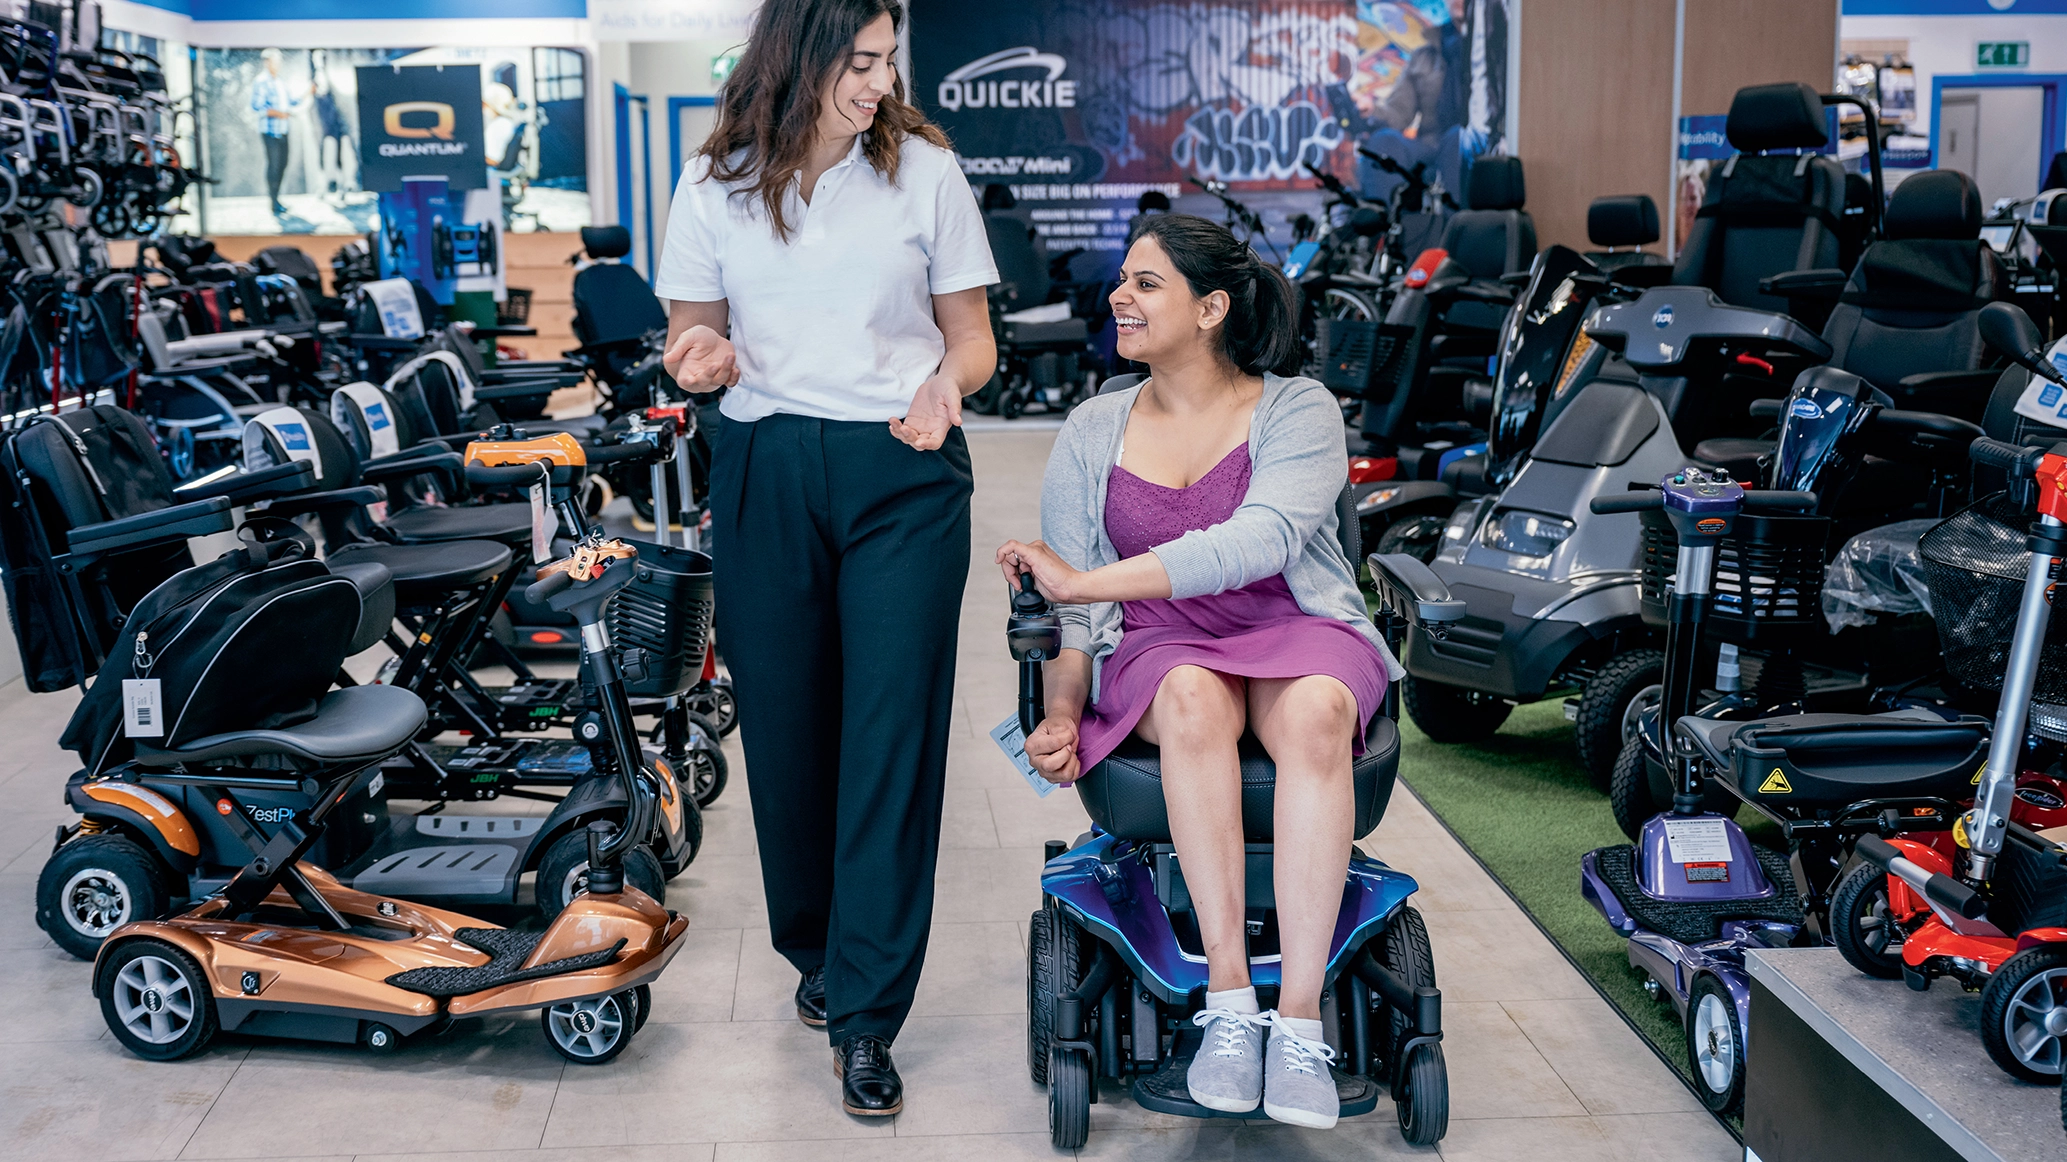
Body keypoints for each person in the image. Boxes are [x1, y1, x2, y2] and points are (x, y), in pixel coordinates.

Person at [652, 0, 997, 1120]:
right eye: (856, 62)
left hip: (903, 469)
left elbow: (973, 337)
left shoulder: (924, 173)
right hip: (763, 465)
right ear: (795, 58)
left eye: (887, 61)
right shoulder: (713, 185)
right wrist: (696, 361)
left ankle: (867, 1012)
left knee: (889, 729)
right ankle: (817, 954)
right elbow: (691, 338)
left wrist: (953, 384)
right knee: (790, 730)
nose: (875, 84)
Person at [994, 213, 1404, 1130]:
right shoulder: (1093, 426)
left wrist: (1085, 576)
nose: (1119, 298)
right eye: (1123, 281)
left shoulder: (1297, 408)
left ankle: (1297, 1021)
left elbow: (1258, 544)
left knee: (1316, 715)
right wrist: (1060, 710)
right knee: (1186, 697)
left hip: (1290, 621)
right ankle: (1227, 1006)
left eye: (1146, 284)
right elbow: (1074, 611)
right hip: (1163, 640)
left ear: (1211, 307)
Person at [250, 48, 300, 218]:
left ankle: (277, 199)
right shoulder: (261, 82)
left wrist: (309, 91)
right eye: (274, 61)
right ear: (267, 62)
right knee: (274, 165)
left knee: (283, 164)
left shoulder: (280, 81)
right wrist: (279, 114)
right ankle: (273, 202)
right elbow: (257, 106)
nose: (277, 64)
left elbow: (292, 101)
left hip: (284, 130)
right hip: (270, 132)